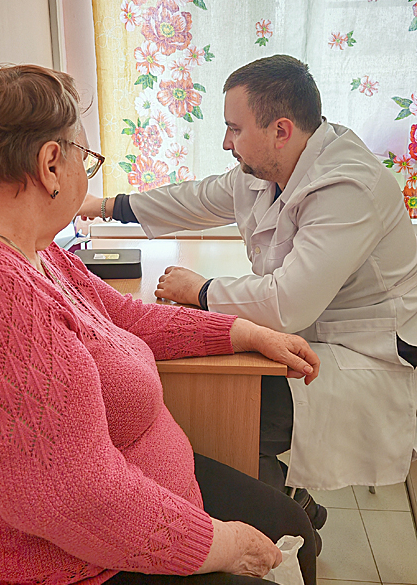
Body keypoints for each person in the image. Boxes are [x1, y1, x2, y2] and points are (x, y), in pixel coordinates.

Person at [0, 64, 359, 585]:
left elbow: (124, 317)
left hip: (106, 527)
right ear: (50, 163)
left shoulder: (26, 248)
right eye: (86, 157)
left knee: (290, 523)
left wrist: (240, 332)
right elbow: (70, 496)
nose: (87, 173)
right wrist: (218, 544)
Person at [81, 53, 417, 524]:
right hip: (311, 334)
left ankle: (285, 523)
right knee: (215, 394)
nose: (226, 142)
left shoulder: (347, 187)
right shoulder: (273, 169)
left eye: (234, 129)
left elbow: (286, 303)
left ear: (281, 130)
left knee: (225, 416)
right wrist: (106, 206)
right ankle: (292, 507)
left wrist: (200, 291)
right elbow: (198, 198)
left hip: (367, 354)